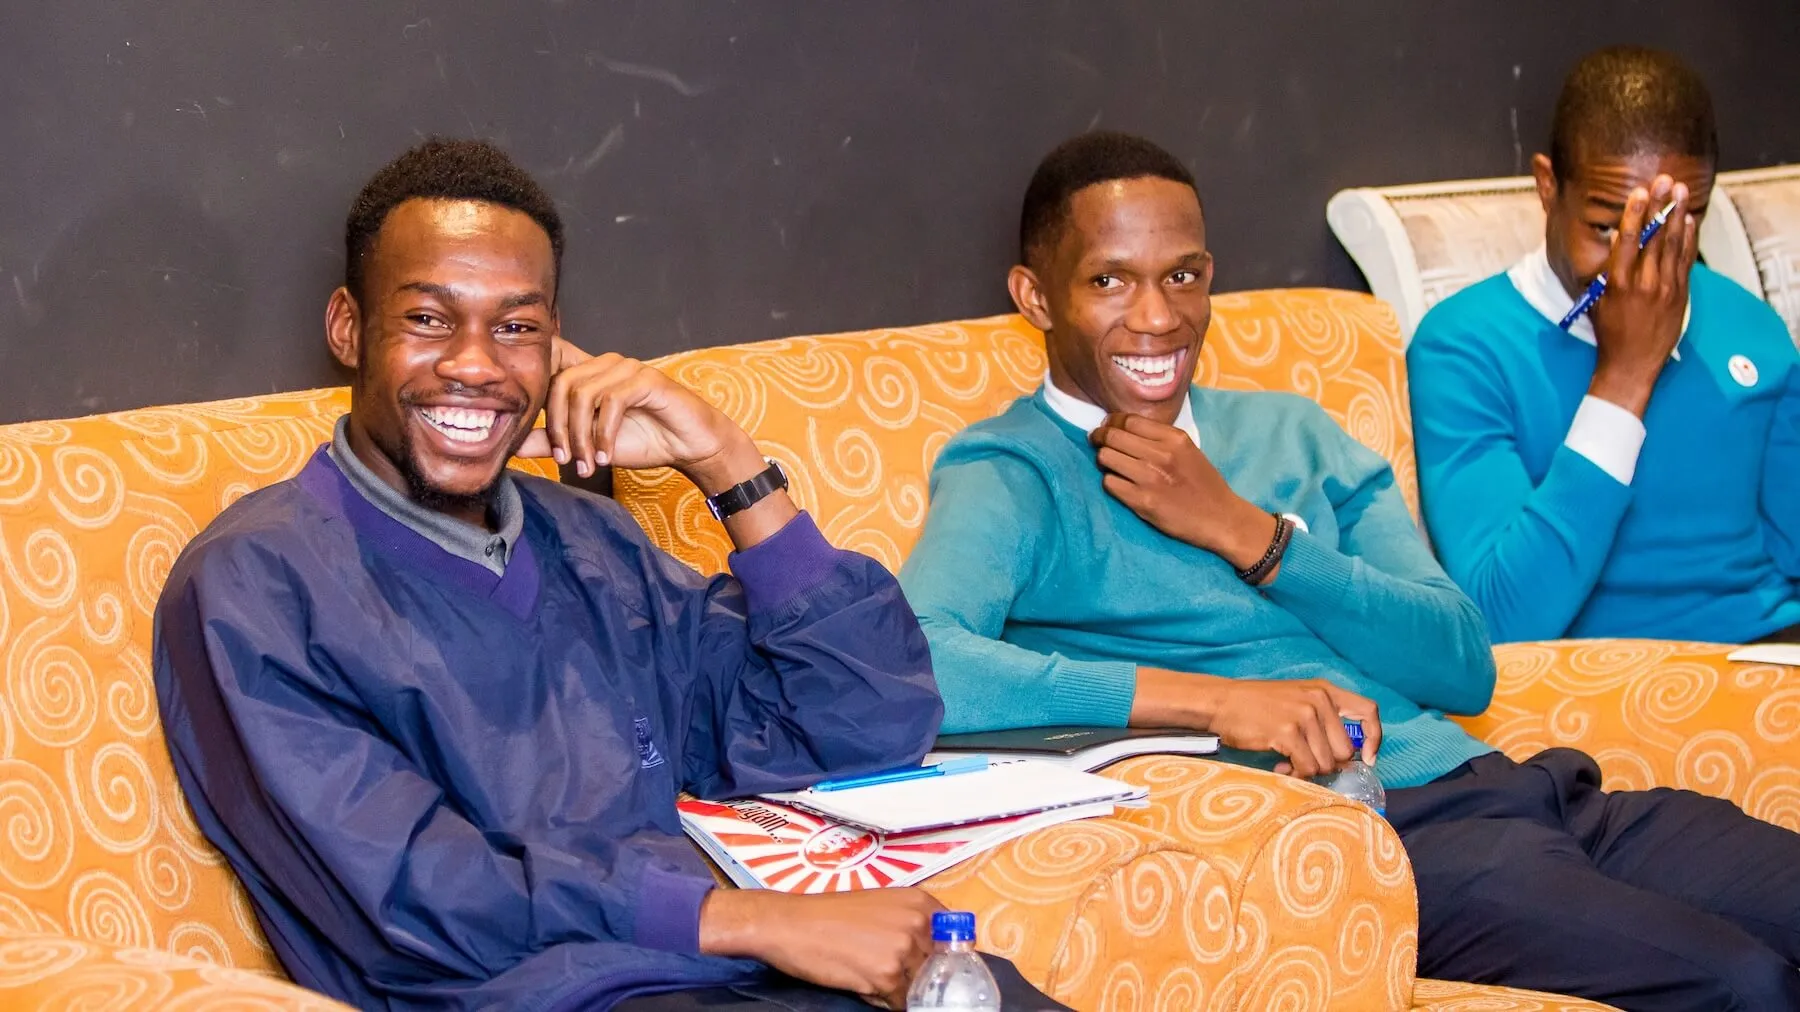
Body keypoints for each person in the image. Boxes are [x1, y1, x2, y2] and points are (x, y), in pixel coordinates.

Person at [152, 139, 1066, 1012]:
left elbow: (866, 724)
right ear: (350, 327)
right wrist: (750, 921)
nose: (474, 364)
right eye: (428, 319)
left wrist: (726, 462)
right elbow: (412, 894)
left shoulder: (590, 542)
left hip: (724, 968)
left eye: (516, 328)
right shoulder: (256, 583)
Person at [899, 130, 1800, 1010]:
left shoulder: (1294, 433)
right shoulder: (1012, 471)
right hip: (1377, 840)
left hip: (1521, 787)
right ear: (1036, 296)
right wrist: (1215, 704)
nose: (1158, 317)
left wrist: (1253, 536)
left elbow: (1462, 661)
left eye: (1183, 275)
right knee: (1743, 984)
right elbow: (920, 663)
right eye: (1109, 281)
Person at [1407, 46, 1800, 645]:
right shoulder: (1464, 348)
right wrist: (1625, 375)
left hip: (1768, 658)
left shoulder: (1747, 324)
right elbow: (1503, 617)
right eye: (1606, 226)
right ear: (1547, 186)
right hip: (1596, 676)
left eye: (1673, 226)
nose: (1631, 264)